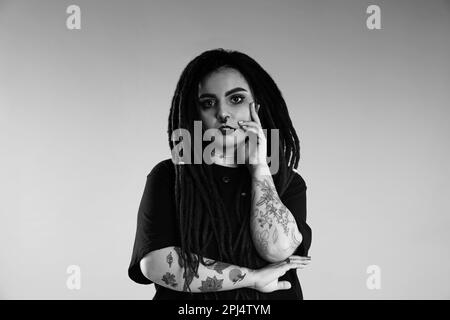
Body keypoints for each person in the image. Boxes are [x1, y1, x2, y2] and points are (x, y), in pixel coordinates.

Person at [128, 48, 312, 300]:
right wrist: (253, 278)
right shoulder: (168, 176)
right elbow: (157, 264)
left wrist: (259, 167)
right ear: (196, 114)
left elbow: (277, 249)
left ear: (255, 107)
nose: (222, 113)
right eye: (208, 103)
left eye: (235, 99)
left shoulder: (287, 182)